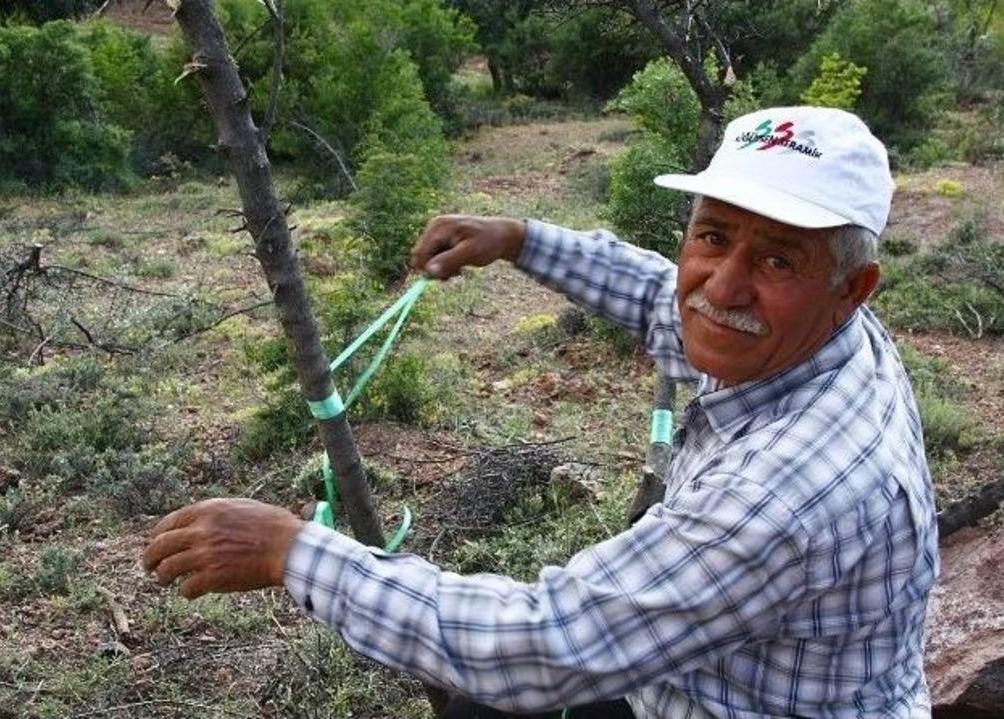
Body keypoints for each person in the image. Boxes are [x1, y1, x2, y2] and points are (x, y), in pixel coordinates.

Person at [143, 107, 938, 718]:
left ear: (851, 288)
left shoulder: (785, 495)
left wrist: (292, 551)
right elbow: (663, 299)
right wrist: (521, 238)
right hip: (709, 678)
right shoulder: (809, 338)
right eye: (713, 236)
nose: (721, 284)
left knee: (501, 683)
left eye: (775, 257)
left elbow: (543, 643)